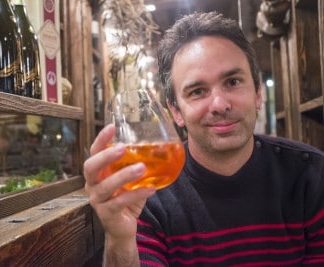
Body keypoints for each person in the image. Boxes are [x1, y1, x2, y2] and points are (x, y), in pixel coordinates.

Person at [83, 11, 324, 266]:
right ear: (176, 111)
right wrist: (120, 239)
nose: (219, 104)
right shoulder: (147, 195)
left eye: (232, 81)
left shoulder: (311, 175)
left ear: (257, 94)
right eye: (198, 91)